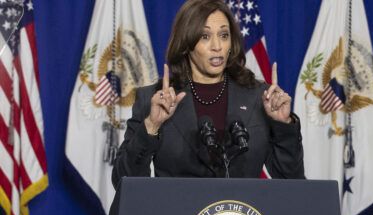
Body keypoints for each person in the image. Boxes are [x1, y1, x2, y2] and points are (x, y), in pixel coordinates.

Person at [112, 0, 303, 186]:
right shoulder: (154, 99)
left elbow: (291, 182)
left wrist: (283, 126)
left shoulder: (259, 97)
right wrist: (151, 126)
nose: (217, 46)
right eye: (205, 36)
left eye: (224, 35)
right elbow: (124, 181)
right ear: (187, 44)